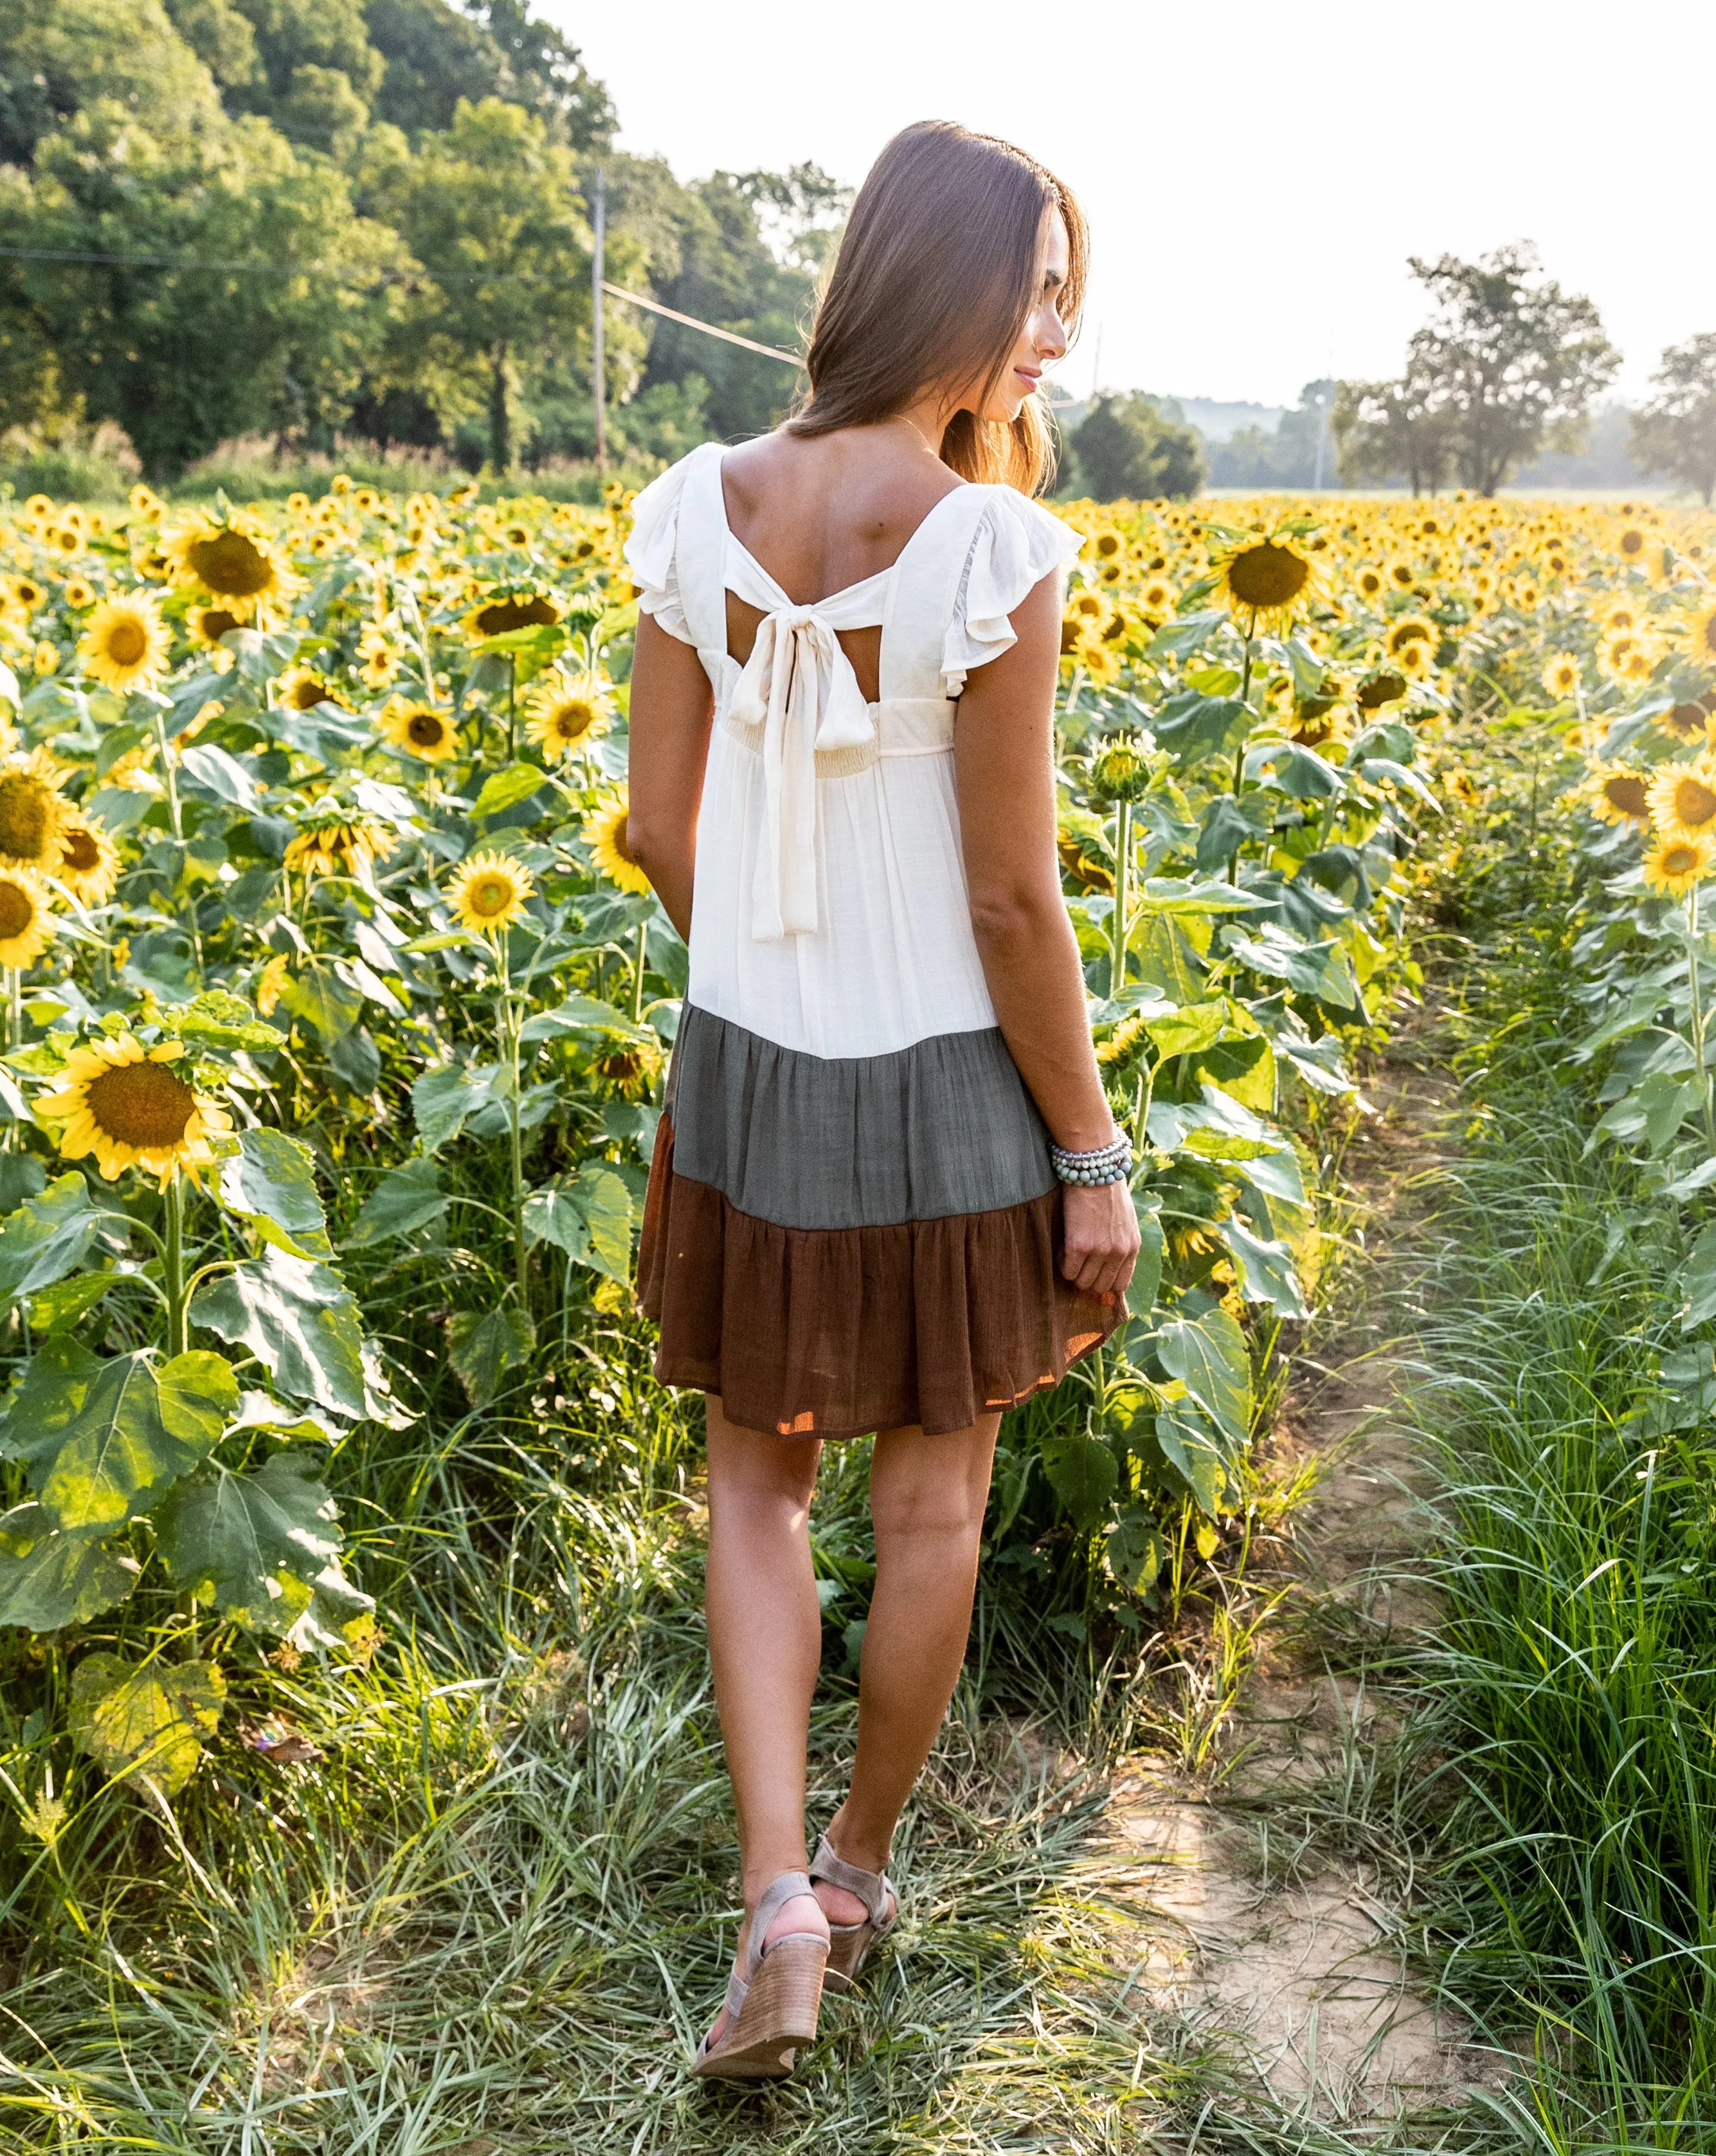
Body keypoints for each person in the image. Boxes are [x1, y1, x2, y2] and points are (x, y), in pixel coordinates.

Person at [624, 118, 1141, 2081]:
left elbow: (663, 828)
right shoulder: (993, 547)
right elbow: (1016, 899)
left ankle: (768, 1898)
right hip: (947, 1092)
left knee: (753, 1484)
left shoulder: (694, 506)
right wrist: (1083, 1153)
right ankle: (856, 1868)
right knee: (933, 1499)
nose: (1056, 347)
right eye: (1038, 300)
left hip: (749, 1070)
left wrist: (771, 977)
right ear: (946, 293)